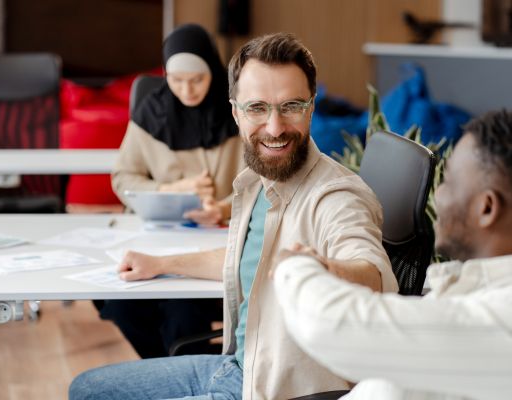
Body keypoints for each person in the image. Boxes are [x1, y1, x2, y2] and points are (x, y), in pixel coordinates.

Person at [70, 32, 398, 400]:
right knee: (86, 388)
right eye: (257, 108)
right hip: (238, 367)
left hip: (275, 389)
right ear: (235, 112)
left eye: (291, 106)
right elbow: (243, 259)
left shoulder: (335, 196)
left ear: (311, 108)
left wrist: (323, 269)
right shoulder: (258, 179)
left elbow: (371, 273)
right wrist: (161, 264)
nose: (274, 127)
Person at [273, 109, 512, 400]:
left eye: (448, 182)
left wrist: (296, 267)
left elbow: (332, 327)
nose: (438, 195)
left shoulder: (500, 321)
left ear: (487, 208)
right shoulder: (476, 290)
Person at [97, 24, 243, 359]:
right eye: (176, 80)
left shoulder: (238, 111)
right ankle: (164, 370)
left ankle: (181, 372)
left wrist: (222, 209)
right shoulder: (151, 113)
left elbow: (261, 183)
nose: (187, 90)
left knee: (183, 311)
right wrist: (170, 188)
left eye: (197, 80)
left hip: (217, 241)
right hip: (156, 239)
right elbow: (123, 177)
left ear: (214, 72)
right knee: (122, 305)